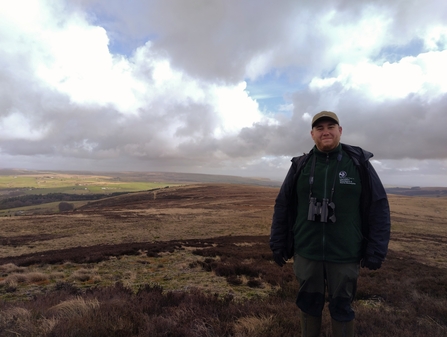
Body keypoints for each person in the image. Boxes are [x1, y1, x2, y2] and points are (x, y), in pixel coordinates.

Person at [269, 111, 391, 337]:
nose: (326, 131)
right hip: (307, 252)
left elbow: (378, 205)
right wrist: (278, 242)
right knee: (308, 305)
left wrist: (376, 248)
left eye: (331, 127)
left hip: (345, 253)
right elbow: (283, 204)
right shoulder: (300, 165)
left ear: (340, 130)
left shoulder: (358, 163)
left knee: (342, 308)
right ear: (312, 134)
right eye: (320, 128)